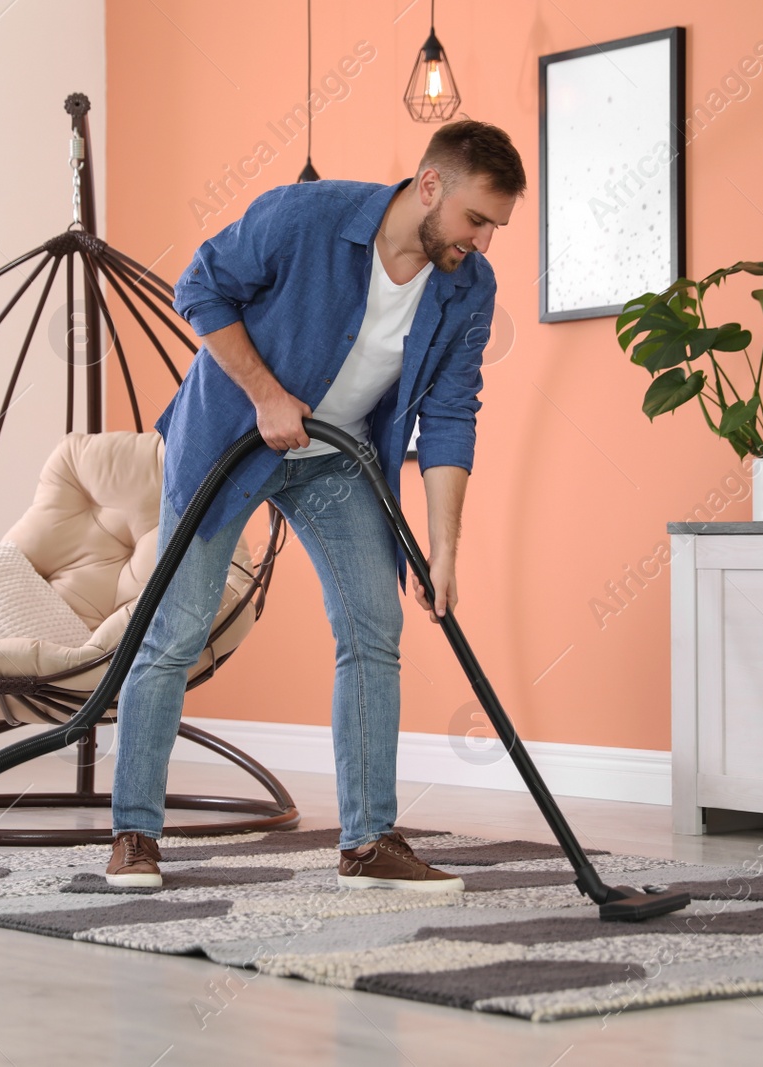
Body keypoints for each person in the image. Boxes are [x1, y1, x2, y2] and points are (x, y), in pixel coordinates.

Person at [105, 120, 525, 890]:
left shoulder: (470, 286)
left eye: (497, 227)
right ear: (430, 186)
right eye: (476, 220)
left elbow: (454, 414)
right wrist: (266, 395)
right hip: (228, 443)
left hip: (337, 461)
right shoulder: (305, 217)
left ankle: (368, 841)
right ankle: (135, 833)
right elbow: (198, 285)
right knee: (175, 633)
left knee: (375, 628)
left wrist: (442, 552)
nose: (484, 243)